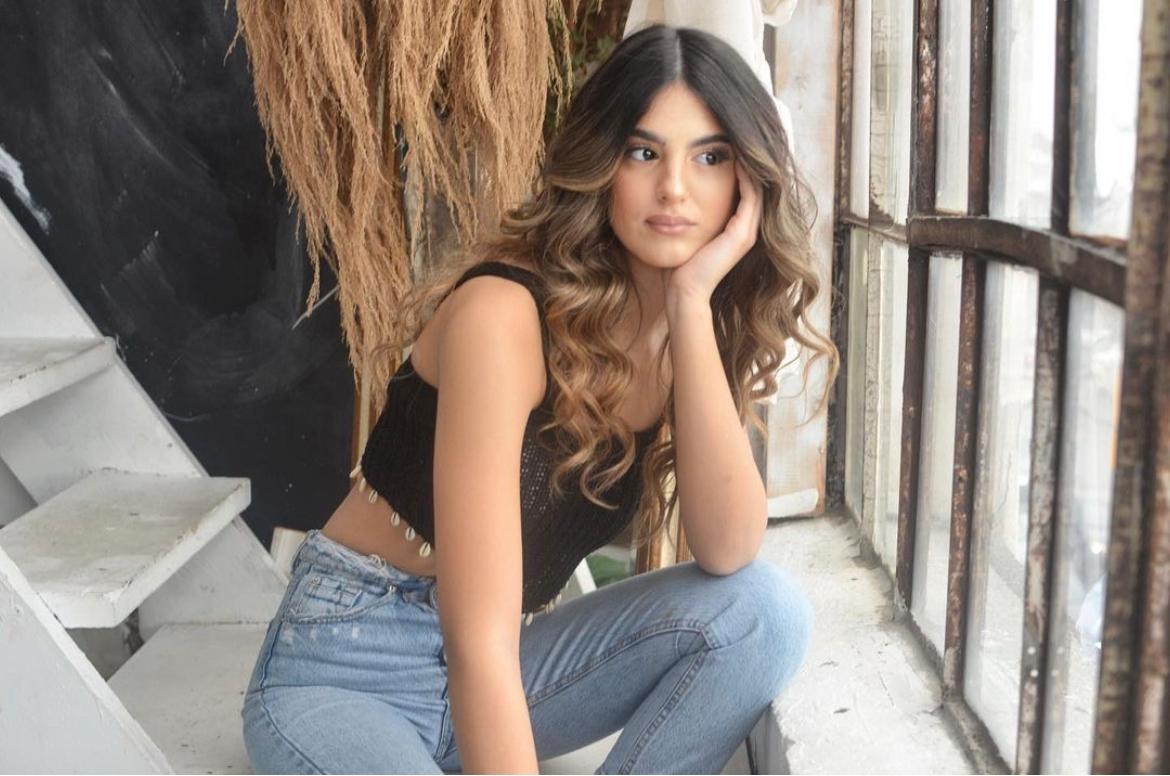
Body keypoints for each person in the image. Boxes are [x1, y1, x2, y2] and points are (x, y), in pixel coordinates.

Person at [241, 23, 836, 775]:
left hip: (505, 666)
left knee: (763, 615)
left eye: (710, 157)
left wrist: (689, 304)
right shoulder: (503, 317)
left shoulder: (687, 327)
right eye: (643, 152)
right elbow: (475, 636)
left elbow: (727, 548)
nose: (675, 189)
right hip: (348, 669)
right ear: (602, 164)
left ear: (746, 183)